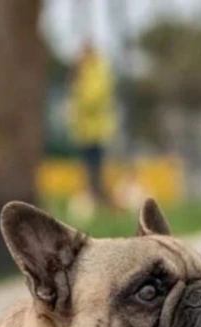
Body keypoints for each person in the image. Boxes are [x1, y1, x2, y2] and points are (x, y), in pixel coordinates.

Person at [67, 42, 118, 214]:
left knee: (96, 168)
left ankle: (100, 198)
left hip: (96, 129)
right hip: (84, 130)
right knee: (87, 168)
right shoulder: (81, 73)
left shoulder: (98, 72)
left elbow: (94, 98)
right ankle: (92, 198)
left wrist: (79, 100)